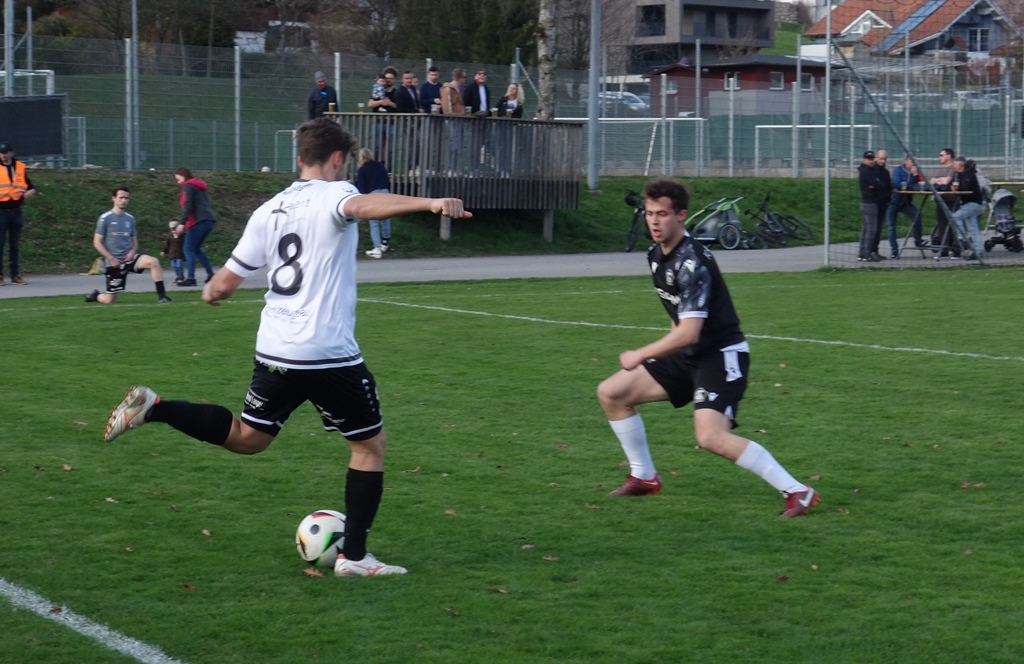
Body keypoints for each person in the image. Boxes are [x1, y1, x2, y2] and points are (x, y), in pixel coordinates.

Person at [101, 118, 471, 577]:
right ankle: (355, 558)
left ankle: (156, 409)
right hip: (325, 352)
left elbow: (222, 285)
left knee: (249, 439)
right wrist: (430, 202)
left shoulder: (268, 209)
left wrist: (212, 292)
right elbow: (363, 206)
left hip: (275, 350)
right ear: (337, 158)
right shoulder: (336, 193)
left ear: (299, 158)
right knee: (369, 446)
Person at [595, 177, 817, 518]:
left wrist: (641, 354)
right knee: (612, 393)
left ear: (681, 215)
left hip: (721, 356)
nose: (654, 221)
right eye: (650, 213)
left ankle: (798, 490)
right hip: (688, 356)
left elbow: (689, 333)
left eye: (662, 214)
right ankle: (644, 477)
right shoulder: (656, 254)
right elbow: (679, 319)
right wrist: (660, 355)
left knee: (711, 437)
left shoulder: (692, 262)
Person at [86, 186, 173, 305]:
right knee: (109, 300)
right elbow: (97, 242)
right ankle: (96, 295)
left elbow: (134, 241)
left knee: (153, 262)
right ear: (113, 198)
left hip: (129, 258)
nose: (124, 200)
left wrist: (132, 251)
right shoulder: (105, 218)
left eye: (126, 198)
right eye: (121, 197)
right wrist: (111, 258)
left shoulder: (130, 219)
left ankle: (162, 296)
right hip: (114, 262)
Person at [0, 141, 37, 285]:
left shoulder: (20, 167)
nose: (3, 155)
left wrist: (30, 192)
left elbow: (30, 186)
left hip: (16, 211)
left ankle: (14, 275)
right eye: (1, 153)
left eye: (5, 153)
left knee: (14, 245)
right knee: (0, 244)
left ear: (11, 153)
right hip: (1, 211)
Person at [174, 167, 217, 286]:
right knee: (196, 249)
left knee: (188, 249)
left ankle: (191, 278)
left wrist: (181, 223)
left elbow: (188, 205)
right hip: (209, 220)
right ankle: (211, 275)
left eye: (178, 179)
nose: (178, 182)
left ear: (183, 176)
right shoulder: (199, 186)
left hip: (198, 221)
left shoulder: (188, 186)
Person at [887, 155, 926, 258]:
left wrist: (915, 175)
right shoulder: (898, 170)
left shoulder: (915, 173)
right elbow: (897, 184)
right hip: (894, 201)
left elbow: (918, 185)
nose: (914, 164)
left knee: (917, 215)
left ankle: (918, 240)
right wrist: (910, 181)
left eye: (915, 162)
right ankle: (894, 250)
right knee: (891, 227)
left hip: (906, 203)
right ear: (906, 161)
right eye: (912, 161)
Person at [355, 147, 391, 258]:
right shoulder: (379, 165)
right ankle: (385, 241)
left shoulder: (362, 170)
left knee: (374, 221)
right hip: (385, 191)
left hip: (373, 194)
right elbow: (386, 179)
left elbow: (362, 188)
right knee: (385, 217)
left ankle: (377, 248)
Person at [951, 156, 985, 259]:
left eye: (954, 164)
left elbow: (966, 188)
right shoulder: (959, 174)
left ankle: (963, 239)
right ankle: (978, 252)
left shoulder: (969, 174)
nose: (953, 166)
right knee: (973, 228)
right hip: (967, 203)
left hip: (973, 203)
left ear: (960, 165)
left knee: (955, 217)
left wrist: (956, 189)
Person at [930, 148, 959, 256]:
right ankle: (944, 248)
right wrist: (940, 180)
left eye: (942, 155)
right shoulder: (940, 169)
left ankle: (956, 249)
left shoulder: (953, 167)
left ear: (949, 156)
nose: (940, 157)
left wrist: (939, 180)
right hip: (940, 200)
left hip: (951, 200)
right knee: (942, 225)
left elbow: (947, 181)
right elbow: (931, 181)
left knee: (953, 225)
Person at [857, 150, 883, 262]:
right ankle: (867, 254)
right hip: (869, 203)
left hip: (866, 202)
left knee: (865, 229)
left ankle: (862, 253)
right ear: (864, 159)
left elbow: (876, 184)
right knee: (871, 230)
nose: (870, 161)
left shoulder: (867, 171)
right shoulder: (866, 172)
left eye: (872, 159)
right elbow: (878, 184)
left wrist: (875, 184)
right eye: (868, 159)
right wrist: (876, 183)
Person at [872, 150, 892, 258]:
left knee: (879, 228)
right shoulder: (872, 171)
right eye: (881, 159)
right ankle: (870, 250)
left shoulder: (885, 172)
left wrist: (889, 196)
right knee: (873, 229)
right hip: (874, 203)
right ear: (876, 158)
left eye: (884, 159)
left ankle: (875, 250)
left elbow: (888, 186)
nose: (883, 161)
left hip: (884, 203)